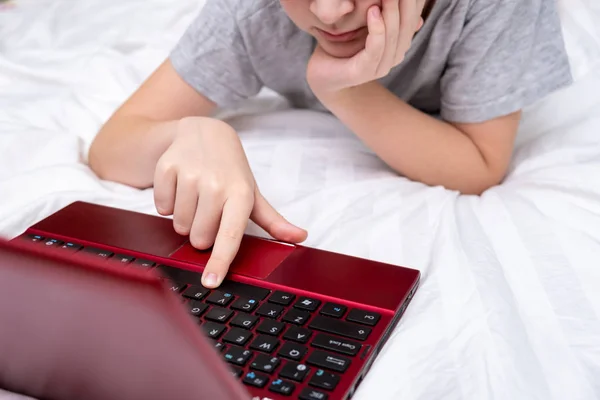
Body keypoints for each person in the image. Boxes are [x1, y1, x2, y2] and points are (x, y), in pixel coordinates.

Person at [87, 0, 572, 289]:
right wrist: (189, 132)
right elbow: (112, 147)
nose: (330, 13)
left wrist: (343, 90)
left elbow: (481, 164)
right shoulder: (257, 12)